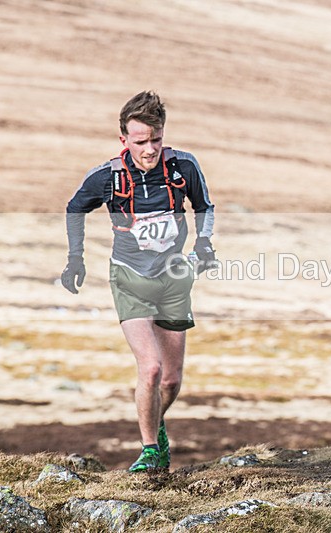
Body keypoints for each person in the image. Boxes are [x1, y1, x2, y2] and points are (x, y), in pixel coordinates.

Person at [61, 91, 217, 472]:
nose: (150, 149)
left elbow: (204, 207)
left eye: (156, 139)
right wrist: (75, 259)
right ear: (124, 140)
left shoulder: (183, 167)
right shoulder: (107, 176)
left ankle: (155, 424)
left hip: (173, 279)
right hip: (129, 277)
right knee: (150, 368)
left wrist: (205, 243)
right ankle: (150, 451)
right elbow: (74, 209)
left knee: (171, 381)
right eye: (141, 141)